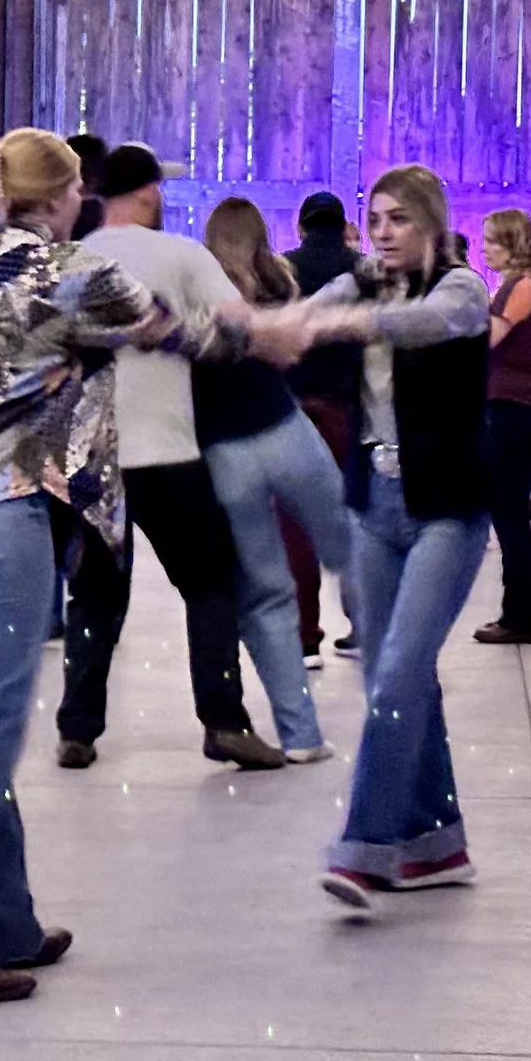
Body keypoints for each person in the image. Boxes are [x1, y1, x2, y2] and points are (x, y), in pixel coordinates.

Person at [0, 127, 243, 1002]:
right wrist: (279, 328)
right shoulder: (73, 270)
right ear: (63, 196)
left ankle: (3, 920)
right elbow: (189, 337)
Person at [292, 164, 492, 912]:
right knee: (392, 673)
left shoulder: (461, 288)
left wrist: (351, 321)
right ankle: (437, 841)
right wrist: (249, 327)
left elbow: (432, 325)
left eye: (398, 218)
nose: (382, 232)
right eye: (374, 218)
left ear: (432, 223)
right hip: (373, 499)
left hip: (447, 504)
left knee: (404, 665)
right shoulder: (362, 284)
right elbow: (311, 314)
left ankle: (367, 848)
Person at [63, 146, 287, 772]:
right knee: (210, 585)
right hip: (167, 451)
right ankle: (224, 722)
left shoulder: (73, 260)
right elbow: (242, 327)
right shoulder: (183, 255)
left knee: (94, 595)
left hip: (93, 457)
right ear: (152, 191)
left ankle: (77, 729)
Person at [196, 195, 347, 761]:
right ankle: (401, 674)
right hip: (286, 427)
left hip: (220, 448)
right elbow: (294, 352)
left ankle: (301, 735)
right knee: (350, 547)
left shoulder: (198, 288)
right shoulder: (279, 278)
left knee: (265, 595)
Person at [473, 208, 531, 646]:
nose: (484, 247)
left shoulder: (518, 287)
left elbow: (485, 341)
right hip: (529, 408)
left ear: (511, 244)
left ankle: (521, 616)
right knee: (509, 516)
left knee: (508, 517)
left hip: (516, 409)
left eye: (491, 241)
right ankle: (521, 613)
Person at [283, 191, 363, 661]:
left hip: (295, 407)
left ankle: (305, 637)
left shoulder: (284, 268)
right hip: (351, 409)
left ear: (301, 226)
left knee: (295, 525)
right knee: (355, 521)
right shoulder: (364, 272)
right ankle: (362, 628)